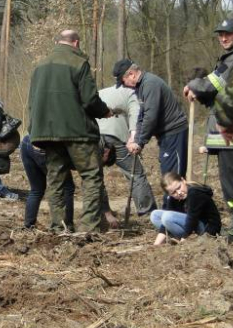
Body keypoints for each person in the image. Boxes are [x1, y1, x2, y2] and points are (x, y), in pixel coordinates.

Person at [27, 30, 113, 233]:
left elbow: (32, 102)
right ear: (76, 43)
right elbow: (90, 99)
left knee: (55, 180)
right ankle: (89, 229)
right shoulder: (79, 63)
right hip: (78, 132)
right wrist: (105, 111)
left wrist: (35, 130)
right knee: (91, 176)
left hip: (47, 133)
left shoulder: (39, 67)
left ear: (57, 42)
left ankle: (59, 227)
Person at [184, 19, 233, 238]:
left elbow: (212, 84)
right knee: (230, 183)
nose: (224, 38)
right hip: (229, 131)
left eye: (229, 34)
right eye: (220, 34)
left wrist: (193, 85)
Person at [115, 58, 188, 211]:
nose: (124, 86)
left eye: (123, 81)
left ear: (132, 74)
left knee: (173, 175)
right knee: (167, 173)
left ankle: (178, 212)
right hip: (164, 135)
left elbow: (151, 116)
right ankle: (173, 211)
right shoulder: (141, 87)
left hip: (174, 132)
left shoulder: (150, 84)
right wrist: (136, 138)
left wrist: (140, 142)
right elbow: (142, 116)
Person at [97, 82, 158, 222]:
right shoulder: (131, 93)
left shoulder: (100, 92)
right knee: (135, 174)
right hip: (116, 137)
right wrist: (135, 139)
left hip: (96, 136)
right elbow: (136, 116)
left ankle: (104, 213)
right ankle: (147, 213)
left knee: (95, 178)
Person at [20, 134, 75, 229]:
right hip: (46, 147)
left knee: (36, 189)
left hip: (28, 141)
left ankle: (28, 225)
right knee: (67, 187)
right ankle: (67, 226)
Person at [150, 172, 221, 245]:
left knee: (167, 216)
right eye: (174, 192)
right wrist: (156, 245)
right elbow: (164, 225)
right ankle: (177, 238)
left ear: (183, 180)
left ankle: (185, 240)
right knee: (155, 215)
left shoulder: (194, 192)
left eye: (179, 187)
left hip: (206, 229)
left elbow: (192, 219)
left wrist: (183, 240)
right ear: (169, 194)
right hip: (190, 226)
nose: (179, 192)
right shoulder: (172, 199)